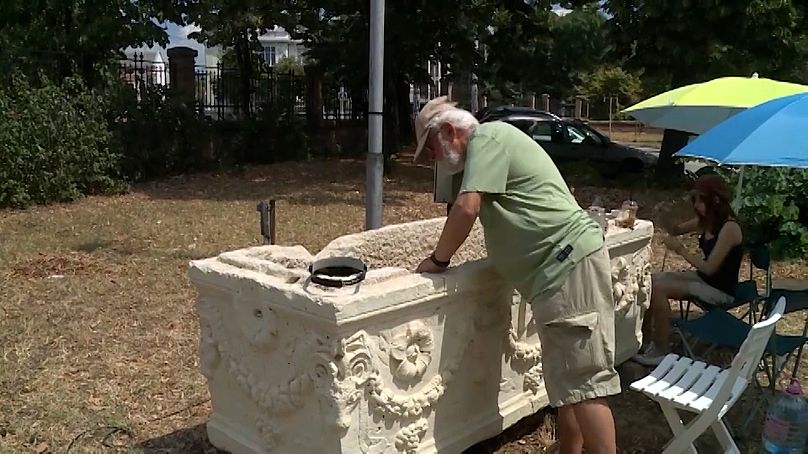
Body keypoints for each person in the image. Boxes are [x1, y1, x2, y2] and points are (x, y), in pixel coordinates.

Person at [411, 96, 620, 454]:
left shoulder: (488, 137)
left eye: (430, 147)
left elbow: (466, 207)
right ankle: (570, 448)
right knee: (567, 379)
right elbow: (454, 203)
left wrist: (438, 260)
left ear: (448, 131)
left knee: (587, 382)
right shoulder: (481, 151)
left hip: (566, 266)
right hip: (554, 275)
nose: (432, 158)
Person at [633, 174, 744, 367]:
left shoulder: (730, 228)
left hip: (721, 291)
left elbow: (709, 268)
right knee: (650, 281)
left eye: (701, 199)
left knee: (659, 289)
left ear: (715, 200)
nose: (696, 204)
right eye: (695, 199)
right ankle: (643, 339)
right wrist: (661, 213)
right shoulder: (706, 221)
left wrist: (680, 250)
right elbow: (675, 229)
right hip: (703, 280)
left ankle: (661, 348)